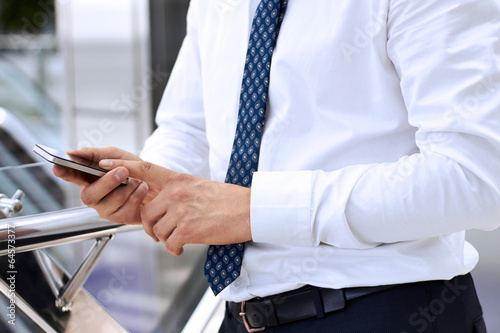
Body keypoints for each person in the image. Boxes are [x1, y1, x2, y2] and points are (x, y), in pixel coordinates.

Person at [54, 0, 500, 331]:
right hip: (238, 316)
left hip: (389, 312)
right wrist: (144, 185)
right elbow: (189, 129)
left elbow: (477, 177)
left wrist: (253, 211)